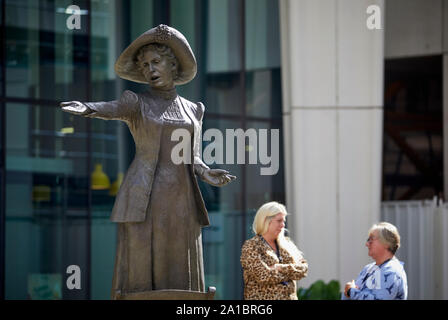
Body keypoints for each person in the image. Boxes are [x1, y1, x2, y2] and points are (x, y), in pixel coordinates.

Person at [61, 24, 235, 299]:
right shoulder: (136, 103)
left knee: (181, 265)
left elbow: (192, 155)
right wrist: (88, 108)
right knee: (141, 268)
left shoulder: (194, 110)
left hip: (182, 197)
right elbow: (113, 108)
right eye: (144, 66)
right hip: (145, 194)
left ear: (172, 65)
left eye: (156, 62)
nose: (149, 69)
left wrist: (206, 172)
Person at [240, 202, 308, 300]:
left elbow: (303, 269)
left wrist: (279, 267)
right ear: (265, 221)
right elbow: (264, 276)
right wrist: (291, 272)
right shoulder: (251, 246)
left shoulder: (287, 244)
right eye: (279, 221)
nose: (283, 225)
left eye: (284, 221)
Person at [343, 222, 408, 300]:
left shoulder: (392, 271)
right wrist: (348, 292)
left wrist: (351, 291)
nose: (367, 244)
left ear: (387, 243)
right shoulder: (368, 269)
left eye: (371, 239)